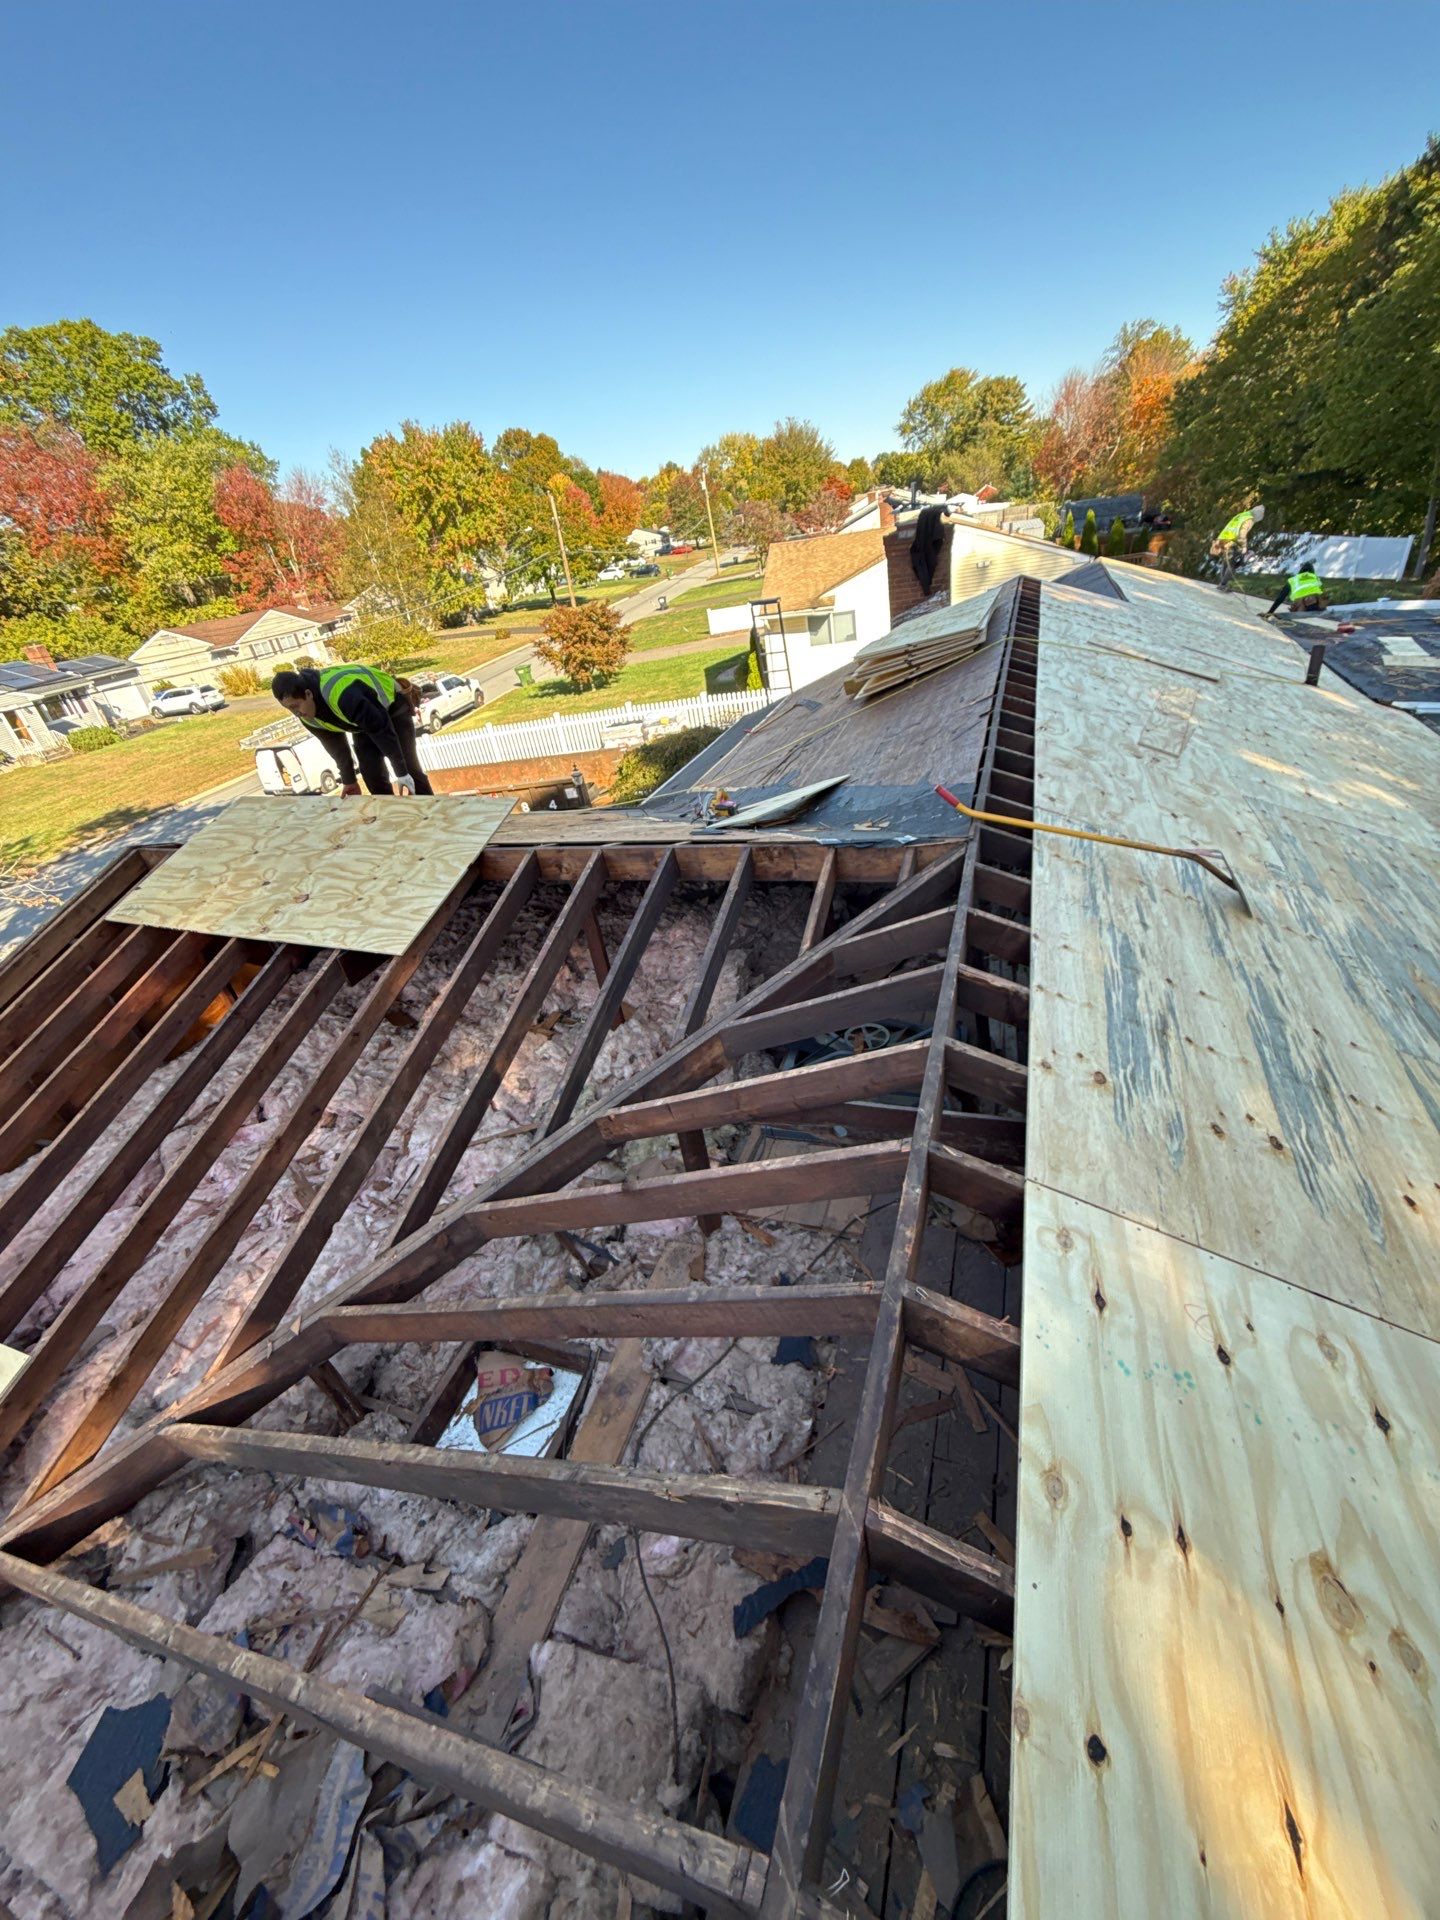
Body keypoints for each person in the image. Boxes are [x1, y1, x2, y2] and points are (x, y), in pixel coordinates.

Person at [271, 664, 435, 796]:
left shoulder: (342, 694)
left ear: (308, 694)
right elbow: (336, 747)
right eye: (290, 709)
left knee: (409, 768)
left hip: (392, 706)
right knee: (371, 774)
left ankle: (430, 814)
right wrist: (349, 780)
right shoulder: (307, 716)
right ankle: (390, 820)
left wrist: (401, 773)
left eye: (296, 706)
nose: (296, 713)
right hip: (362, 721)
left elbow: (381, 729)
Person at [1213, 502, 1265, 587]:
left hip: (1223, 539)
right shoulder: (1249, 519)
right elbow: (1242, 533)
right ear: (1258, 515)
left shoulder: (1242, 515)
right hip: (1232, 542)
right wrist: (1244, 546)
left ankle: (1222, 584)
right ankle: (1222, 585)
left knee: (1226, 564)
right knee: (1231, 566)